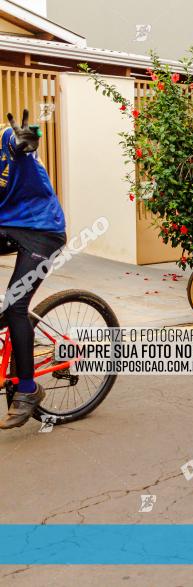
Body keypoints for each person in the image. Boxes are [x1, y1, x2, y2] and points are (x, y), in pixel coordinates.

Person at [0, 110, 66, 428]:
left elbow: (19, 143)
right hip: (9, 226)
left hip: (42, 231)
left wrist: (25, 142)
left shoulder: (7, 141)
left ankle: (27, 390)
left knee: (15, 305)